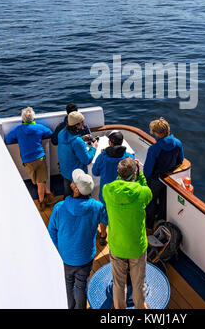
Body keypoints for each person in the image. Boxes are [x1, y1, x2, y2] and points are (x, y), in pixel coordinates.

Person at [48, 169, 105, 309]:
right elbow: (107, 220)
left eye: (74, 182)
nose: (71, 183)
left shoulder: (59, 208)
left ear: (77, 190)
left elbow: (52, 232)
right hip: (85, 256)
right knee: (81, 285)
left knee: (68, 284)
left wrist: (61, 246)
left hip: (66, 256)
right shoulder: (97, 207)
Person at [103, 157, 152, 309]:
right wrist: (141, 174)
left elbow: (120, 184)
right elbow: (147, 193)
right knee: (138, 283)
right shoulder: (143, 192)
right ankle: (140, 307)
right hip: (136, 246)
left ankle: (119, 308)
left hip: (117, 245)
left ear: (118, 173)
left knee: (118, 283)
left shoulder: (107, 190)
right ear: (135, 174)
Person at [5, 106, 56, 211]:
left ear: (22, 119)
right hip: (39, 159)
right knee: (40, 183)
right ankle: (42, 202)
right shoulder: (38, 127)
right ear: (33, 118)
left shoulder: (18, 130)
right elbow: (50, 133)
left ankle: (50, 197)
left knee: (38, 182)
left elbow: (8, 139)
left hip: (27, 162)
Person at [92, 130, 134, 246]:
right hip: (122, 193)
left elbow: (95, 172)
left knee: (105, 213)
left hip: (106, 193)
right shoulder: (128, 157)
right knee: (120, 215)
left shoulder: (102, 156)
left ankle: (103, 236)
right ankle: (119, 238)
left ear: (110, 143)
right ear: (122, 143)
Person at [143, 117, 184, 229]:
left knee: (151, 202)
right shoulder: (178, 143)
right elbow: (180, 160)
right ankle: (161, 221)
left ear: (157, 133)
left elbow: (147, 171)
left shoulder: (154, 149)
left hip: (155, 180)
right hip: (169, 179)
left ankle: (150, 225)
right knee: (164, 201)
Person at [58, 111, 97, 198]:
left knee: (67, 196)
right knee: (82, 198)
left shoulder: (61, 133)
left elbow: (70, 143)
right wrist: (93, 148)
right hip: (77, 176)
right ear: (76, 125)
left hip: (65, 171)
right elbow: (87, 160)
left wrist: (81, 138)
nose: (83, 123)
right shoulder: (77, 142)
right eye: (81, 122)